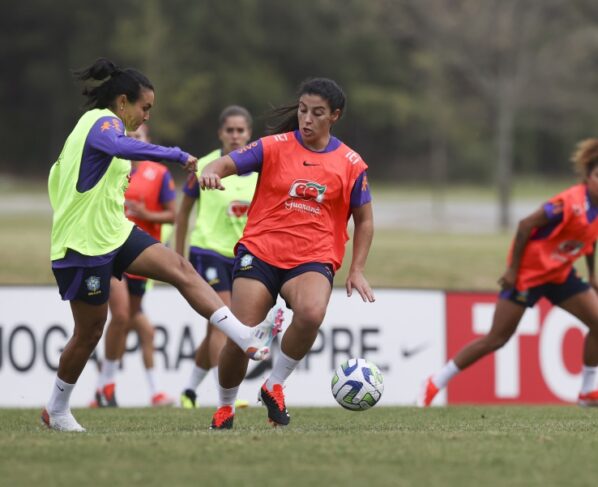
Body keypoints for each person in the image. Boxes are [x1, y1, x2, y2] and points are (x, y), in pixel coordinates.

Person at [42, 58, 276, 432]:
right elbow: (119, 146)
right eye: (144, 107)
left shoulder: (91, 129)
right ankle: (56, 409)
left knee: (179, 269)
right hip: (83, 245)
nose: (146, 116)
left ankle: (241, 332)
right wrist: (176, 155)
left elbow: (60, 178)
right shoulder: (103, 123)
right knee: (89, 332)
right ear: (122, 102)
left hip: (114, 232)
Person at [199, 78, 375, 429]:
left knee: (311, 313)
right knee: (242, 332)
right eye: (302, 110)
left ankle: (274, 384)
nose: (307, 119)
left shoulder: (350, 163)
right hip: (261, 251)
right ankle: (225, 406)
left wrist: (357, 269)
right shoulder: (273, 146)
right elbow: (226, 164)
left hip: (313, 256)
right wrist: (210, 171)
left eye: (317, 113)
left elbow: (365, 220)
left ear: (335, 116)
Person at [418, 138, 598, 407]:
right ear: (587, 176)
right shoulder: (569, 202)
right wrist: (513, 270)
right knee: (496, 339)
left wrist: (591, 274)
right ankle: (435, 382)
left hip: (560, 273)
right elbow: (526, 225)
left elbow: (589, 240)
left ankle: (586, 392)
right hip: (529, 275)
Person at [177, 106, 284, 409]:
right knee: (224, 322)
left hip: (244, 256)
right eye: (230, 130)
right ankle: (225, 395)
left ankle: (189, 390)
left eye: (241, 131)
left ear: (249, 134)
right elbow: (183, 211)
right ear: (220, 133)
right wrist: (177, 256)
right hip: (207, 251)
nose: (235, 136)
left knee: (218, 325)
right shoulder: (206, 166)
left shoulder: (261, 171)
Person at [93, 124, 175, 408]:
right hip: (112, 251)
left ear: (148, 141)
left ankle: (108, 387)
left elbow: (174, 215)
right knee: (121, 314)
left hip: (143, 257)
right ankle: (108, 386)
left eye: (139, 137)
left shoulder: (159, 174)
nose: (134, 142)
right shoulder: (112, 167)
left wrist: (147, 214)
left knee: (134, 321)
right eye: (129, 138)